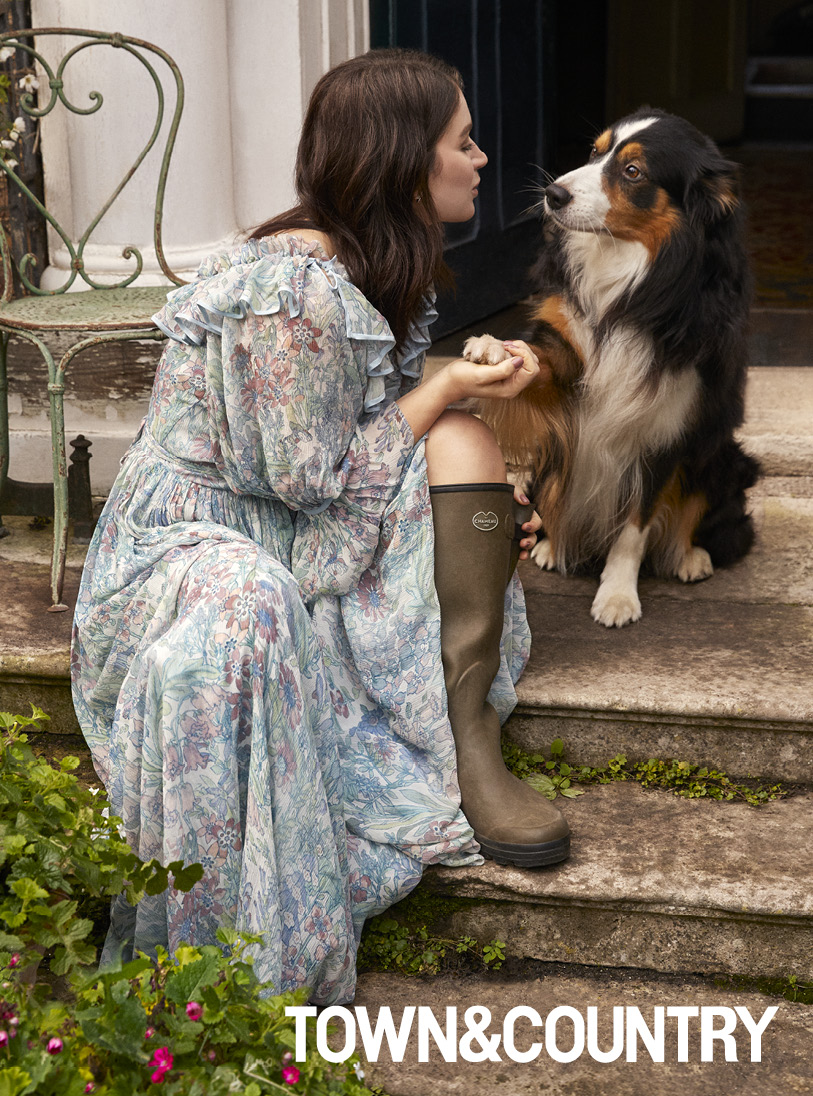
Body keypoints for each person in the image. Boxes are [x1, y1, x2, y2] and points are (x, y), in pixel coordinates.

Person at [71, 48, 570, 1006]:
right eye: (461, 143)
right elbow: (322, 486)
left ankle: (467, 734)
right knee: (445, 424)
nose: (479, 159)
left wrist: (461, 377)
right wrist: (449, 391)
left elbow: (360, 426)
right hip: (200, 544)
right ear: (403, 163)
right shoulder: (294, 291)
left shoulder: (378, 266)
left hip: (295, 510)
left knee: (462, 437)